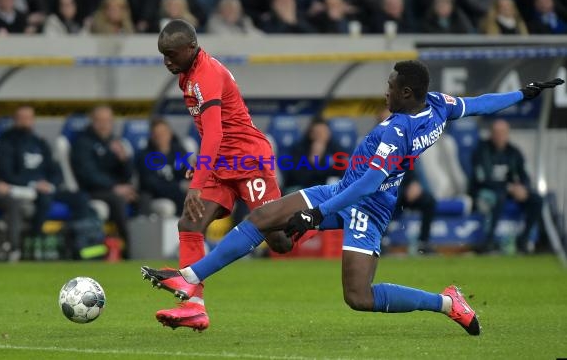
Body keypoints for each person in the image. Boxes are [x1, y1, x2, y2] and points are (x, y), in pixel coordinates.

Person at [141, 60, 564, 334]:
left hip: (367, 205)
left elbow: (365, 186)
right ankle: (191, 279)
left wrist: (320, 214)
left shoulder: (396, 132)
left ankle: (445, 302)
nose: (386, 91)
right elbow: (478, 104)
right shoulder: (436, 105)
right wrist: (523, 94)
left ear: (406, 95)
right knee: (263, 217)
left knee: (358, 297)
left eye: (392, 87)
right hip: (345, 188)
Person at [142, 19, 282, 331]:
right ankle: (193, 307)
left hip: (248, 160)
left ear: (191, 48)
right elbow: (212, 132)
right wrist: (204, 165)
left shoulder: (204, 74)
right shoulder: (188, 71)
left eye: (172, 54)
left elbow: (216, 132)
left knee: (280, 240)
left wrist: (196, 183)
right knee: (190, 223)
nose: (167, 60)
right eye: (163, 54)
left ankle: (333, 210)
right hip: (222, 164)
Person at [0, 106, 93, 260]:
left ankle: (80, 245)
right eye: (22, 118)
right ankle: (36, 242)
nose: (26, 122)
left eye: (29, 118)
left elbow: (55, 171)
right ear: (15, 120)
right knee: (43, 198)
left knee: (80, 198)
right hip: (23, 189)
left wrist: (50, 184)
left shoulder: (40, 142)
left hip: (46, 188)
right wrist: (33, 184)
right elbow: (6, 174)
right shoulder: (7, 143)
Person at [71, 105, 136, 258]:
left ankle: (148, 247)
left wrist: (123, 160)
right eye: (100, 120)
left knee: (143, 197)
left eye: (107, 120)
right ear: (92, 121)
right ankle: (127, 249)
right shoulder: (82, 143)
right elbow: (87, 175)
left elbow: (126, 176)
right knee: (118, 200)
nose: (104, 124)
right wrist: (114, 187)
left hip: (114, 190)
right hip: (91, 191)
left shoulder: (114, 143)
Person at [471, 119, 543, 254]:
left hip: (509, 190)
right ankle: (489, 242)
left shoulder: (513, 152)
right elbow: (482, 179)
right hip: (484, 190)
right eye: (497, 133)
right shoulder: (481, 151)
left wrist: (523, 188)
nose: (500, 136)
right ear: (491, 134)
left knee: (536, 199)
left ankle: (524, 240)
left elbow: (523, 174)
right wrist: (509, 188)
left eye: (503, 132)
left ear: (508, 134)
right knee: (497, 197)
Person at [136, 118, 188, 217]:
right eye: (156, 134)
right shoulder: (145, 156)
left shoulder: (179, 152)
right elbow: (152, 184)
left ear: (170, 133)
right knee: (168, 207)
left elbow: (184, 173)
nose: (160, 137)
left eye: (163, 133)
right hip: (154, 197)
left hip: (177, 194)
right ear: (151, 136)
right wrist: (179, 187)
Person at [284, 119, 344, 192]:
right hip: (303, 188)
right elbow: (297, 178)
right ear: (311, 134)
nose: (321, 136)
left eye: (324, 133)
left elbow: (341, 173)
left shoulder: (335, 148)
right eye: (318, 133)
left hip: (328, 188)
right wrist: (314, 159)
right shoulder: (299, 149)